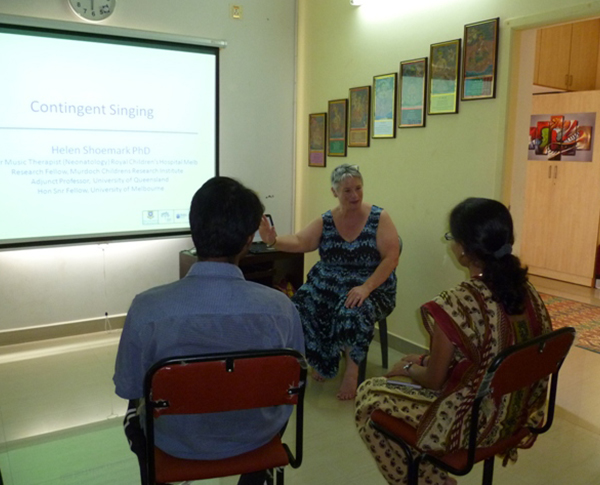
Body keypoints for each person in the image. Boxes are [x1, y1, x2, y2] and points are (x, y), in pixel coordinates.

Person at [113, 176, 305, 485]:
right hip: (257, 437)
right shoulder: (282, 309)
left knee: (133, 410)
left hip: (176, 442)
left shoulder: (146, 309)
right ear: (248, 240)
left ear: (193, 230)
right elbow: (294, 382)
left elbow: (130, 387)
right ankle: (258, 473)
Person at [355, 197, 553, 485]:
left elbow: (434, 381)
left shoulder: (456, 304)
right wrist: (421, 360)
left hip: (474, 423)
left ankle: (430, 481)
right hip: (522, 412)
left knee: (369, 394)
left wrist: (408, 368)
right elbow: (490, 354)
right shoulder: (529, 292)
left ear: (463, 250)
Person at [259, 164, 399, 400]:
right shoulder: (327, 219)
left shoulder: (379, 217)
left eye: (358, 188)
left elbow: (391, 257)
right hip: (328, 282)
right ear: (334, 192)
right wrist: (274, 241)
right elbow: (301, 241)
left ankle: (352, 373)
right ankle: (320, 358)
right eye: (347, 190)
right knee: (300, 305)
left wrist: (366, 288)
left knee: (352, 309)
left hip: (370, 285)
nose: (354, 195)